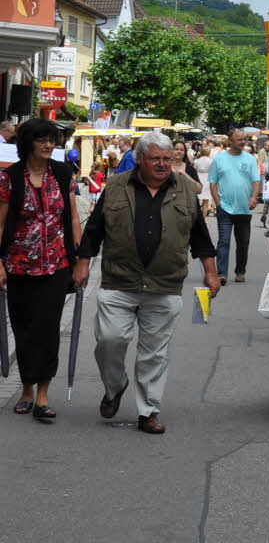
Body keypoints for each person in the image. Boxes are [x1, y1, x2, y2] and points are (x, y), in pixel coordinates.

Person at [73, 131, 219, 435]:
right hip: (119, 280)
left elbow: (200, 235)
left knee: (154, 352)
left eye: (167, 158)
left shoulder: (186, 190)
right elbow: (94, 230)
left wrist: (210, 270)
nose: (163, 164)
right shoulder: (115, 187)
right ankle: (115, 386)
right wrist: (83, 263)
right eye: (155, 158)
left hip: (164, 284)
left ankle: (149, 411)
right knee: (109, 341)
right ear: (139, 159)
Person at [0, 119, 82, 420]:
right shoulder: (10, 178)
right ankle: (26, 389)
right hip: (20, 265)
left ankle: (43, 394)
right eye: (42, 140)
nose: (49, 145)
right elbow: (0, 224)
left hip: (56, 265)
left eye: (52, 140)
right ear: (28, 143)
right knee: (24, 330)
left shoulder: (62, 174)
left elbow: (73, 217)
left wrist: (81, 258)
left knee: (48, 329)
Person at [208, 128, 261, 285]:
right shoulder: (219, 159)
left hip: (244, 208)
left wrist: (253, 197)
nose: (243, 142)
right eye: (239, 139)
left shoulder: (250, 159)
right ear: (229, 141)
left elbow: (256, 181)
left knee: (243, 242)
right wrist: (218, 203)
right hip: (225, 207)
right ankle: (222, 273)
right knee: (224, 241)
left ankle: (240, 271)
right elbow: (212, 182)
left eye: (244, 139)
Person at [193, 147, 214, 217]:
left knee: (196, 200)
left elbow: (193, 170)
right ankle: (204, 218)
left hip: (198, 179)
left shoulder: (196, 161)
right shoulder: (211, 161)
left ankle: (196, 217)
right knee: (206, 201)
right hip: (207, 180)